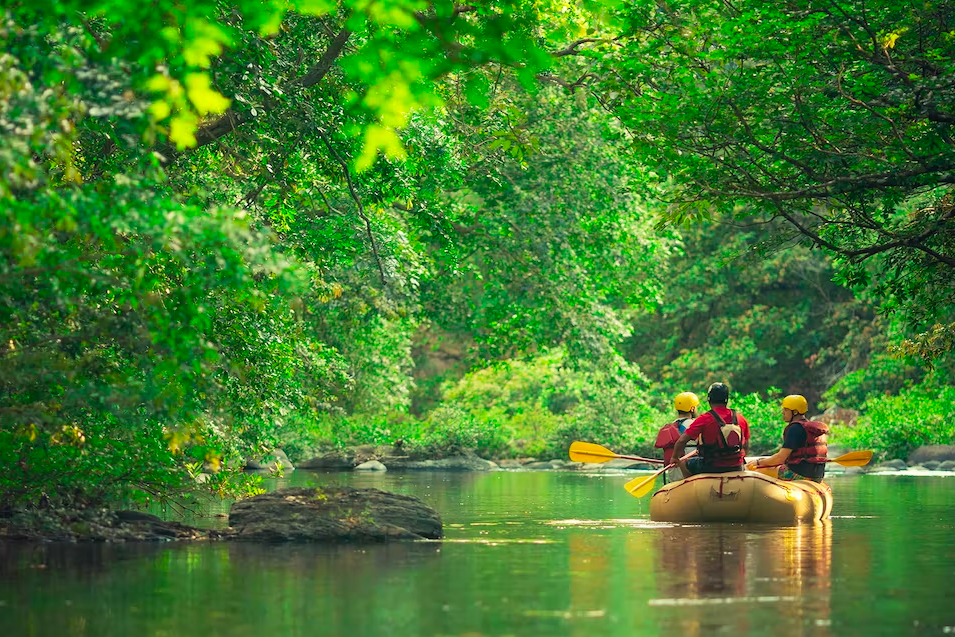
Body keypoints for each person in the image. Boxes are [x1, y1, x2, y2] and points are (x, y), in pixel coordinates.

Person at [672, 382, 750, 477]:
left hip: (712, 467)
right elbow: (746, 445)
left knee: (684, 463)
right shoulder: (740, 418)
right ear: (727, 399)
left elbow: (681, 441)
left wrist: (675, 458)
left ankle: (690, 487)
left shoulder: (704, 419)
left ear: (709, 400)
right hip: (737, 466)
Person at [747, 395, 829, 482]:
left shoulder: (795, 428)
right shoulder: (810, 429)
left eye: (786, 410)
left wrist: (758, 462)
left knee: (757, 471)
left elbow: (780, 458)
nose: (783, 412)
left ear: (795, 412)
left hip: (799, 474)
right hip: (817, 475)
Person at [655, 392, 700, 482]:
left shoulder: (670, 426)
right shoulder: (694, 425)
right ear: (692, 408)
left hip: (673, 479)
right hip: (688, 477)